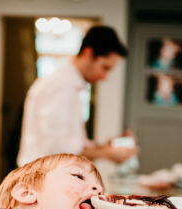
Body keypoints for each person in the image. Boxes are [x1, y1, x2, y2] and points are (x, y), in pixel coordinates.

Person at [17, 25, 139, 167]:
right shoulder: (60, 86)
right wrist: (106, 153)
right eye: (105, 67)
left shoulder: (70, 85)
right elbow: (57, 148)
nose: (105, 77)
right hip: (42, 176)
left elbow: (73, 143)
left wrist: (105, 147)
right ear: (88, 54)